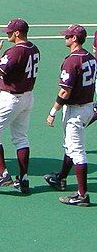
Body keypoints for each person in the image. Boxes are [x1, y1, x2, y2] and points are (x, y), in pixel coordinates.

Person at [0, 18, 40, 194]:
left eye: (9, 31)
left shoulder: (15, 52)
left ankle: (2, 173)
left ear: (17, 33)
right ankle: (23, 178)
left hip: (10, 98)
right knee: (21, 137)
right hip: (27, 97)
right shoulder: (34, 49)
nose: (6, 34)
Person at [44, 24, 96, 206]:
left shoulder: (72, 61)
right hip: (87, 106)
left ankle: (82, 195)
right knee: (69, 145)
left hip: (76, 110)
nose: (64, 38)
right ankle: (61, 178)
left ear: (74, 39)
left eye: (67, 36)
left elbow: (65, 92)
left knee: (77, 151)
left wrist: (53, 111)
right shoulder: (90, 57)